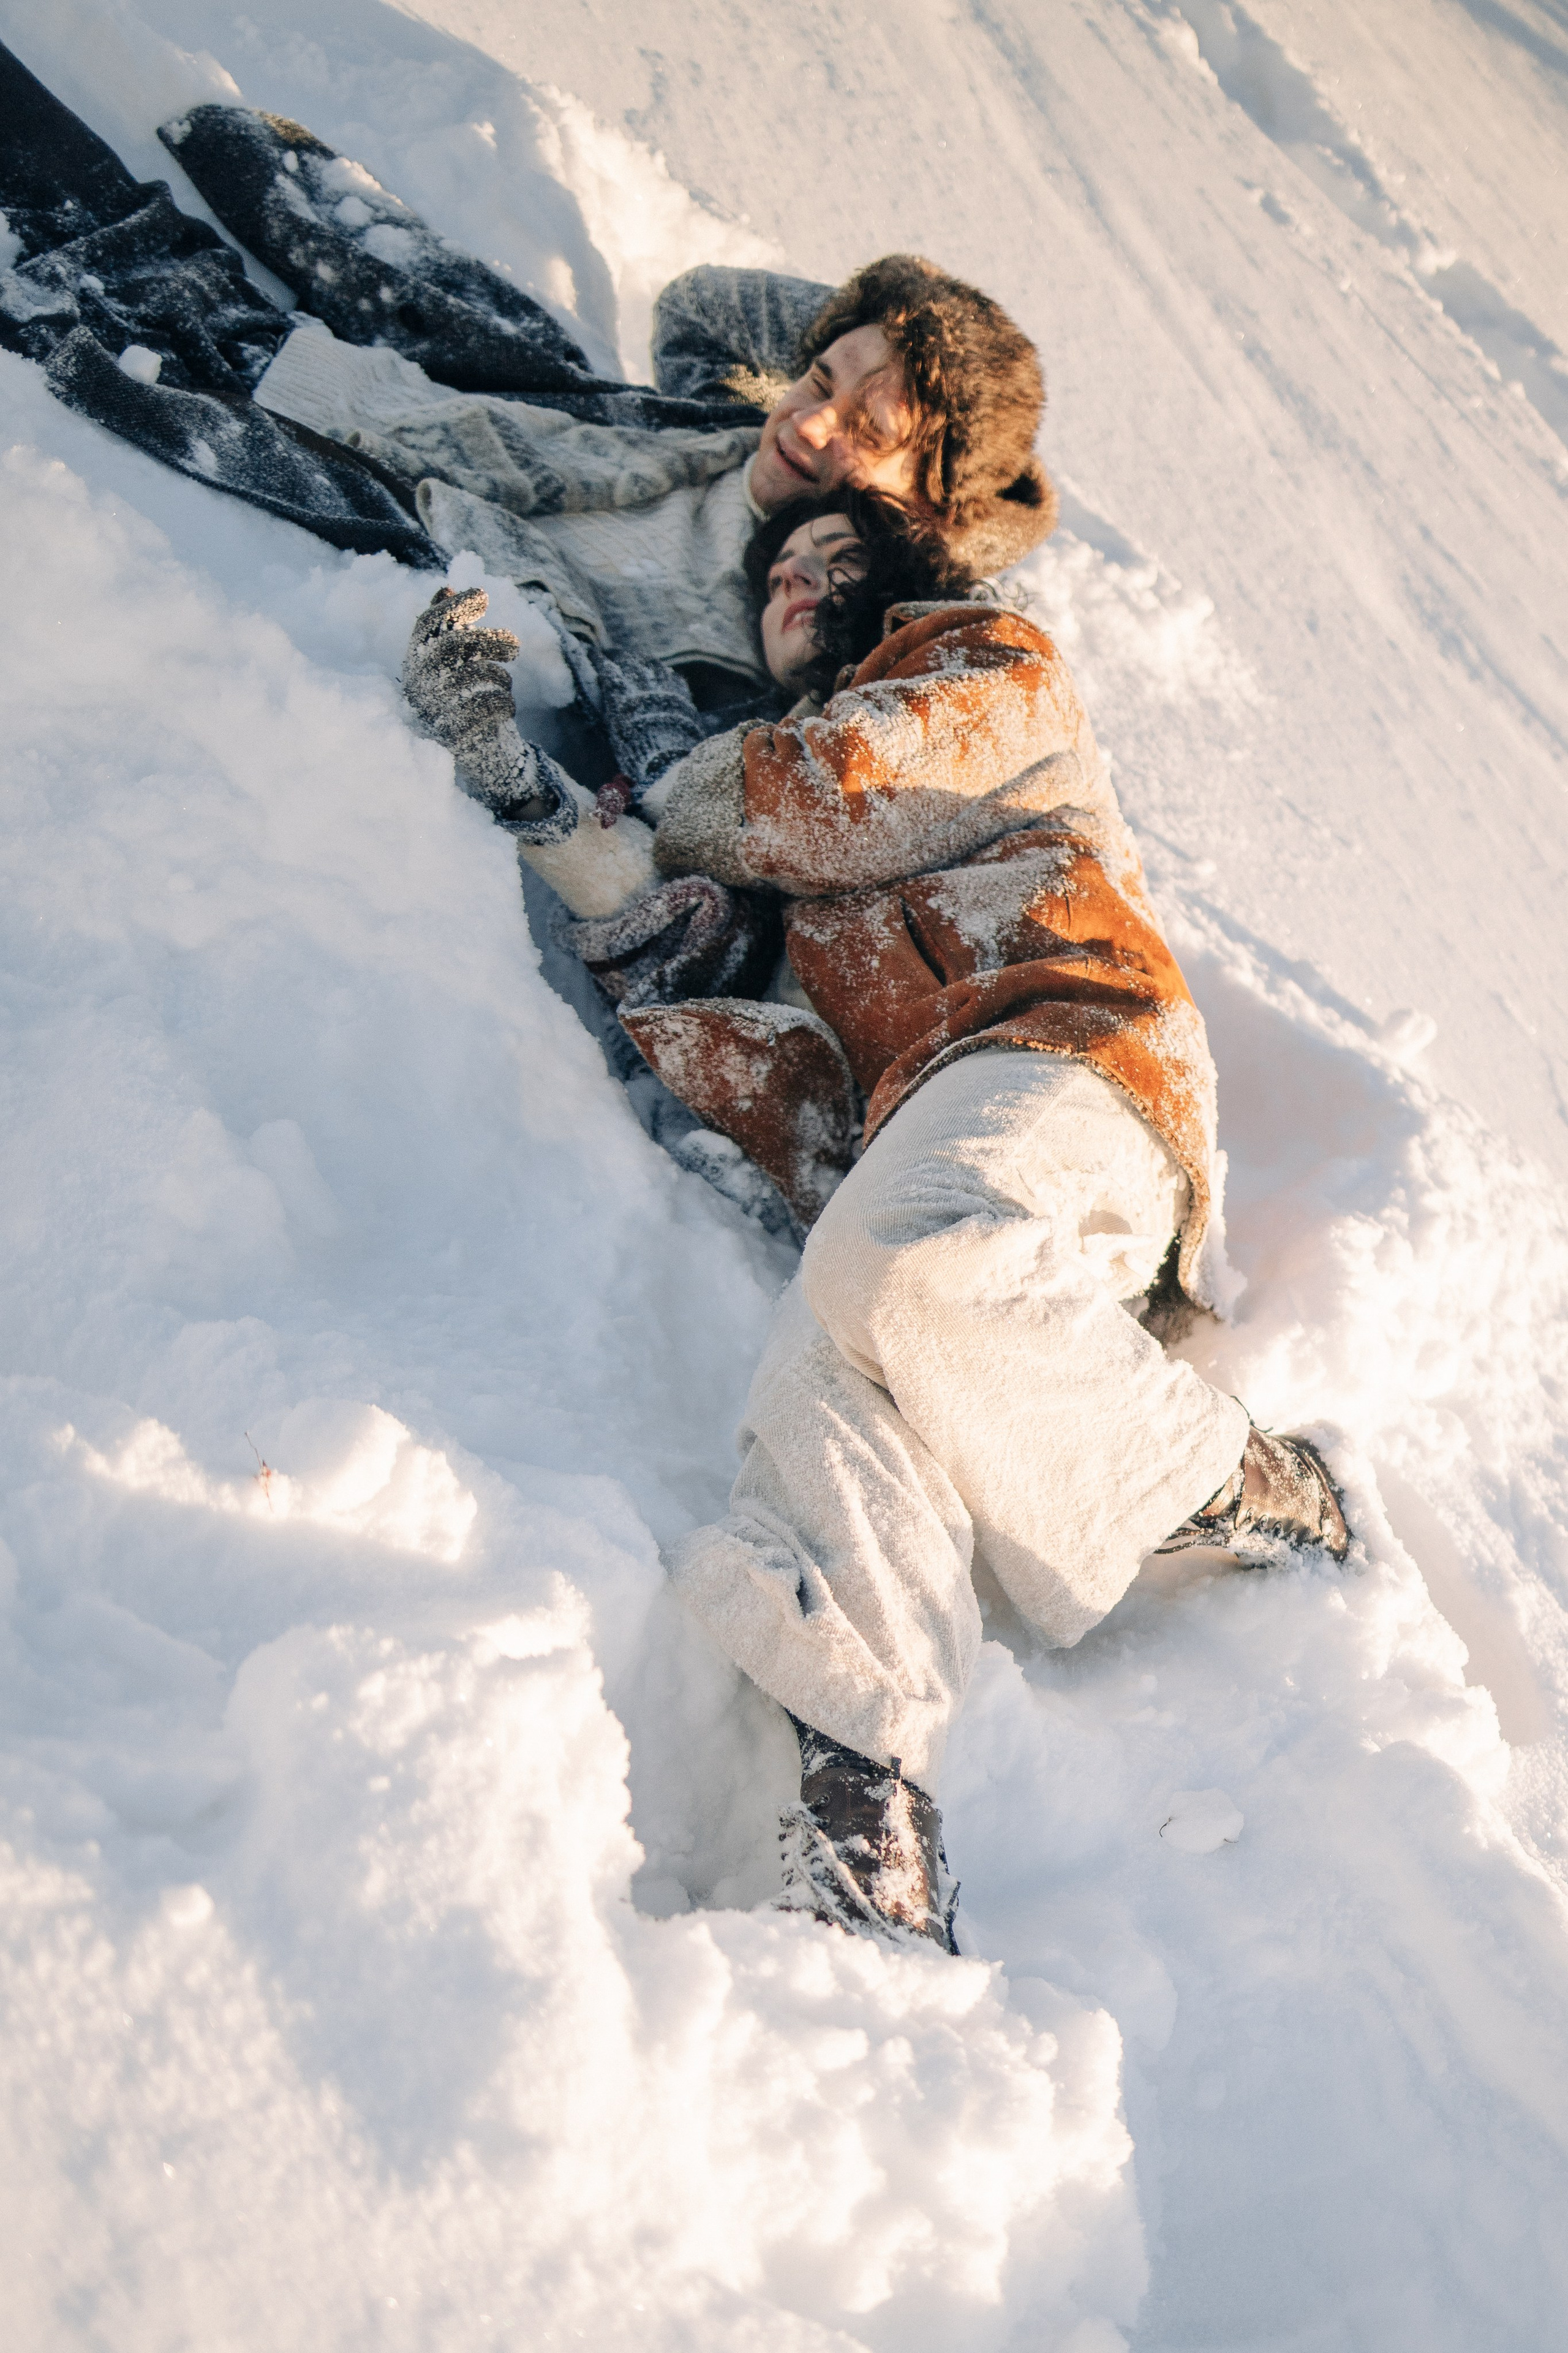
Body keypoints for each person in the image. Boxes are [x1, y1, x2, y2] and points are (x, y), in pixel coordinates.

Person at [402, 497, 1352, 1956]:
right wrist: (532, 802)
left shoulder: (979, 667)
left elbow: (829, 785)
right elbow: (701, 968)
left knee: (906, 1264)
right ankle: (870, 1821)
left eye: (833, 561)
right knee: (839, 1354)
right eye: (778, 568)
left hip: (1072, 1060)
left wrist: (669, 791)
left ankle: (1239, 1478)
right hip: (930, 1153)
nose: (798, 579)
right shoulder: (775, 849)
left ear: (897, 589)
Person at [0, 39, 1059, 667]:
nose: (811, 420)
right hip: (320, 373)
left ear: (929, 510)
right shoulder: (730, 436)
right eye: (819, 379)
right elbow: (697, 306)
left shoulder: (806, 635)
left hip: (329, 488)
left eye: (867, 432)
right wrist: (895, 325)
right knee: (103, 218)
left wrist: (941, 540)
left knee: (77, 290)